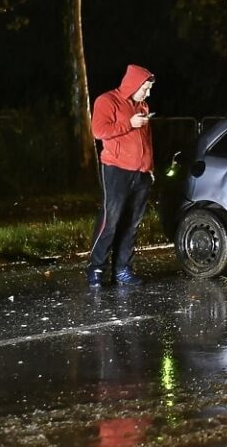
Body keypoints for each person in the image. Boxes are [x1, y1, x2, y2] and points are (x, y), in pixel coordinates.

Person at [85, 64, 155, 287]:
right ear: (133, 84)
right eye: (145, 88)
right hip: (116, 169)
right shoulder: (106, 101)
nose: (147, 93)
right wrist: (129, 123)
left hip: (141, 173)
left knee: (132, 223)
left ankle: (122, 270)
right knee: (111, 219)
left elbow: (146, 140)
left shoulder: (142, 106)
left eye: (149, 89)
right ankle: (96, 268)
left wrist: (150, 168)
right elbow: (98, 131)